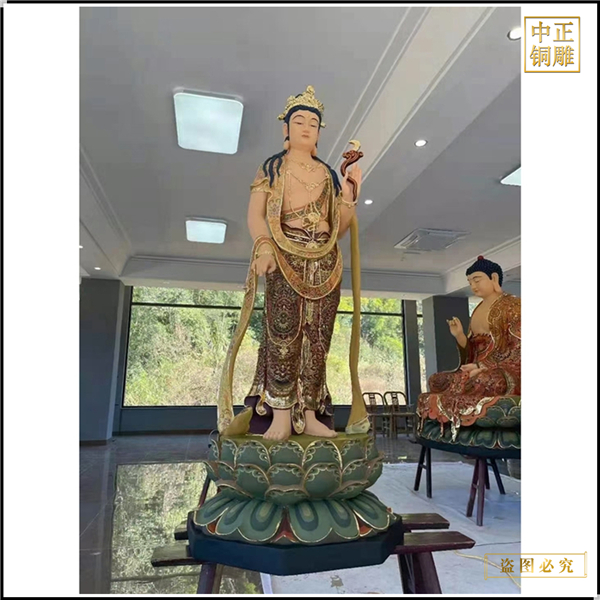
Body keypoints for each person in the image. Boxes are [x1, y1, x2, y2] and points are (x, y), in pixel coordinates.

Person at [217, 86, 367, 441]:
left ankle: (310, 413)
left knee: (318, 339)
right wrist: (264, 247)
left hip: (325, 261)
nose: (306, 128)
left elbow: (338, 229)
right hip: (285, 256)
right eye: (299, 121)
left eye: (313, 123)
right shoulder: (273, 168)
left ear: (319, 133)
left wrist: (349, 195)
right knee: (283, 334)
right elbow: (256, 215)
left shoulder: (328, 174)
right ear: (285, 128)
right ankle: (281, 414)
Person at [416, 255, 521, 441]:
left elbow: (518, 348)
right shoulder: (478, 309)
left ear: (494, 278)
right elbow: (473, 351)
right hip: (476, 370)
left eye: (477, 280)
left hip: (503, 371)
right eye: (470, 282)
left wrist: (482, 367)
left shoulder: (513, 306)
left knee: (484, 381)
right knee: (437, 381)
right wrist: (460, 336)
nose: (473, 286)